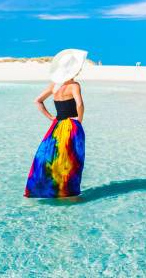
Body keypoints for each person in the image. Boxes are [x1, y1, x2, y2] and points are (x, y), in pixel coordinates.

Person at [24, 49, 87, 198]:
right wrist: (79, 120)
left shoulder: (54, 86)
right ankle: (67, 192)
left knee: (51, 157)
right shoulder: (74, 86)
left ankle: (48, 190)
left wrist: (51, 117)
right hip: (71, 125)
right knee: (71, 159)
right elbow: (79, 104)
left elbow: (37, 101)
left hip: (56, 126)